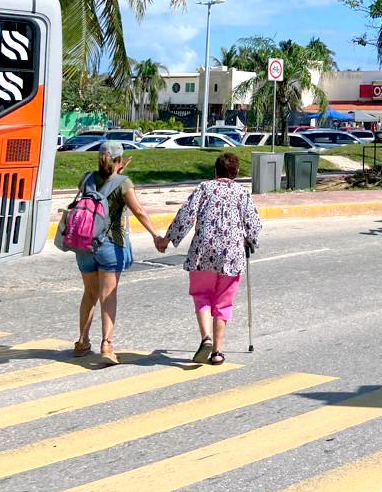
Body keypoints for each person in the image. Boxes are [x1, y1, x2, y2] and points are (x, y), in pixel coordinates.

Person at [158, 152, 262, 365]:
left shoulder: (205, 188)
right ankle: (217, 351)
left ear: (215, 171)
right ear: (237, 173)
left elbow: (186, 215)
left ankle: (205, 338)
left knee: (201, 294)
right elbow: (253, 225)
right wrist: (250, 241)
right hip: (231, 255)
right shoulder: (242, 193)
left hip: (203, 251)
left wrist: (167, 239)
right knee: (223, 301)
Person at [74, 140, 163, 365]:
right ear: (119, 159)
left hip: (84, 245)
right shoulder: (124, 184)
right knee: (108, 296)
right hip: (110, 244)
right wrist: (156, 236)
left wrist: (117, 172)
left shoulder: (86, 178)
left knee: (89, 294)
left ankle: (82, 342)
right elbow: (139, 211)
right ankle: (107, 345)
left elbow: (98, 188)